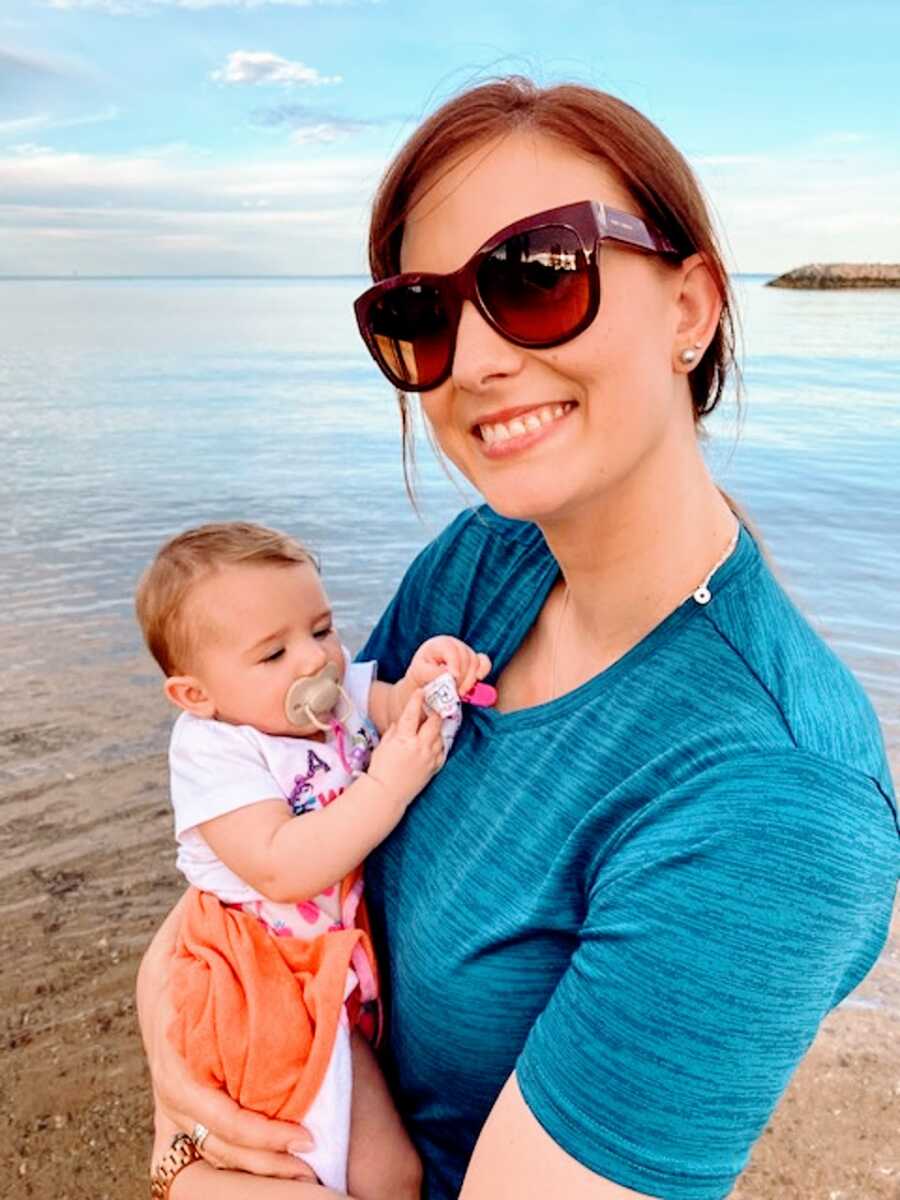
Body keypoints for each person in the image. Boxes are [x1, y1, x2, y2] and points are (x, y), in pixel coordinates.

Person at [138, 78, 899, 1200]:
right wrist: (175, 1068)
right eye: (422, 314)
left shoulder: (773, 807)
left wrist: (194, 1168)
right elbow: (269, 831)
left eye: (537, 276)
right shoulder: (484, 561)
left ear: (691, 308)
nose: (479, 361)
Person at [136, 521, 489, 1198]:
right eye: (272, 655)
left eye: (321, 629)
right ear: (195, 695)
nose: (313, 662)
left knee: (388, 1171)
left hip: (326, 979)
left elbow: (386, 710)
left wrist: (426, 680)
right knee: (323, 1167)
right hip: (258, 985)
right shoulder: (214, 750)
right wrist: (389, 784)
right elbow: (280, 866)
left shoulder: (328, 701)